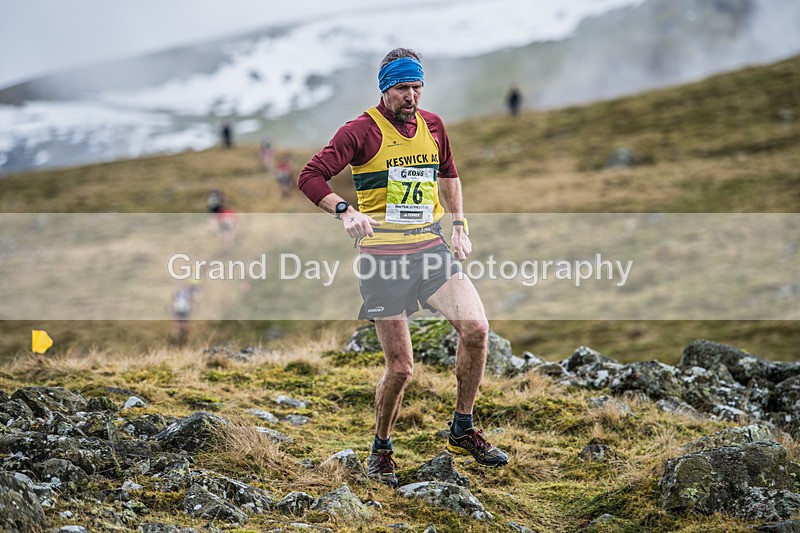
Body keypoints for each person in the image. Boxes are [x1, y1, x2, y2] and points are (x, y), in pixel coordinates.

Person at [298, 48, 508, 488]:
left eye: (417, 87)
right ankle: (382, 449)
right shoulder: (359, 132)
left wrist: (459, 226)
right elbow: (310, 176)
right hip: (383, 259)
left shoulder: (433, 125)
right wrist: (344, 211)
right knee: (401, 368)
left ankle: (462, 429)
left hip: (430, 248)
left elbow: (448, 174)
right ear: (384, 89)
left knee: (477, 330)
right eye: (402, 88)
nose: (411, 97)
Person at [170, 280, 202, 345]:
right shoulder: (186, 292)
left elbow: (174, 302)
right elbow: (193, 302)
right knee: (181, 326)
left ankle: (179, 340)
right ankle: (178, 341)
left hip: (182, 311)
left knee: (180, 326)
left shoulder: (179, 292)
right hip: (182, 311)